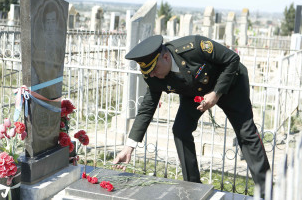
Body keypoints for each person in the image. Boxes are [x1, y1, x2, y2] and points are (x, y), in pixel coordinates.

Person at [113, 34, 270, 194]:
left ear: (166, 57)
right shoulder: (153, 75)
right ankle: (194, 187)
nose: (152, 75)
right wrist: (129, 147)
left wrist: (216, 93)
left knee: (246, 133)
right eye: (148, 72)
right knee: (181, 130)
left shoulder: (194, 47)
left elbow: (232, 59)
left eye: (154, 69)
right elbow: (148, 107)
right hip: (194, 91)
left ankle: (267, 192)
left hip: (229, 84)